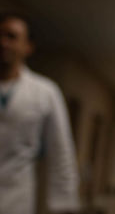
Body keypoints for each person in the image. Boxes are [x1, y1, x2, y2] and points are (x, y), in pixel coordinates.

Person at [0, 12, 81, 214]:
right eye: (0, 35)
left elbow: (61, 151)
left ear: (27, 47)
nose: (3, 42)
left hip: (15, 198)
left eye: (11, 37)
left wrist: (64, 204)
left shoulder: (45, 92)